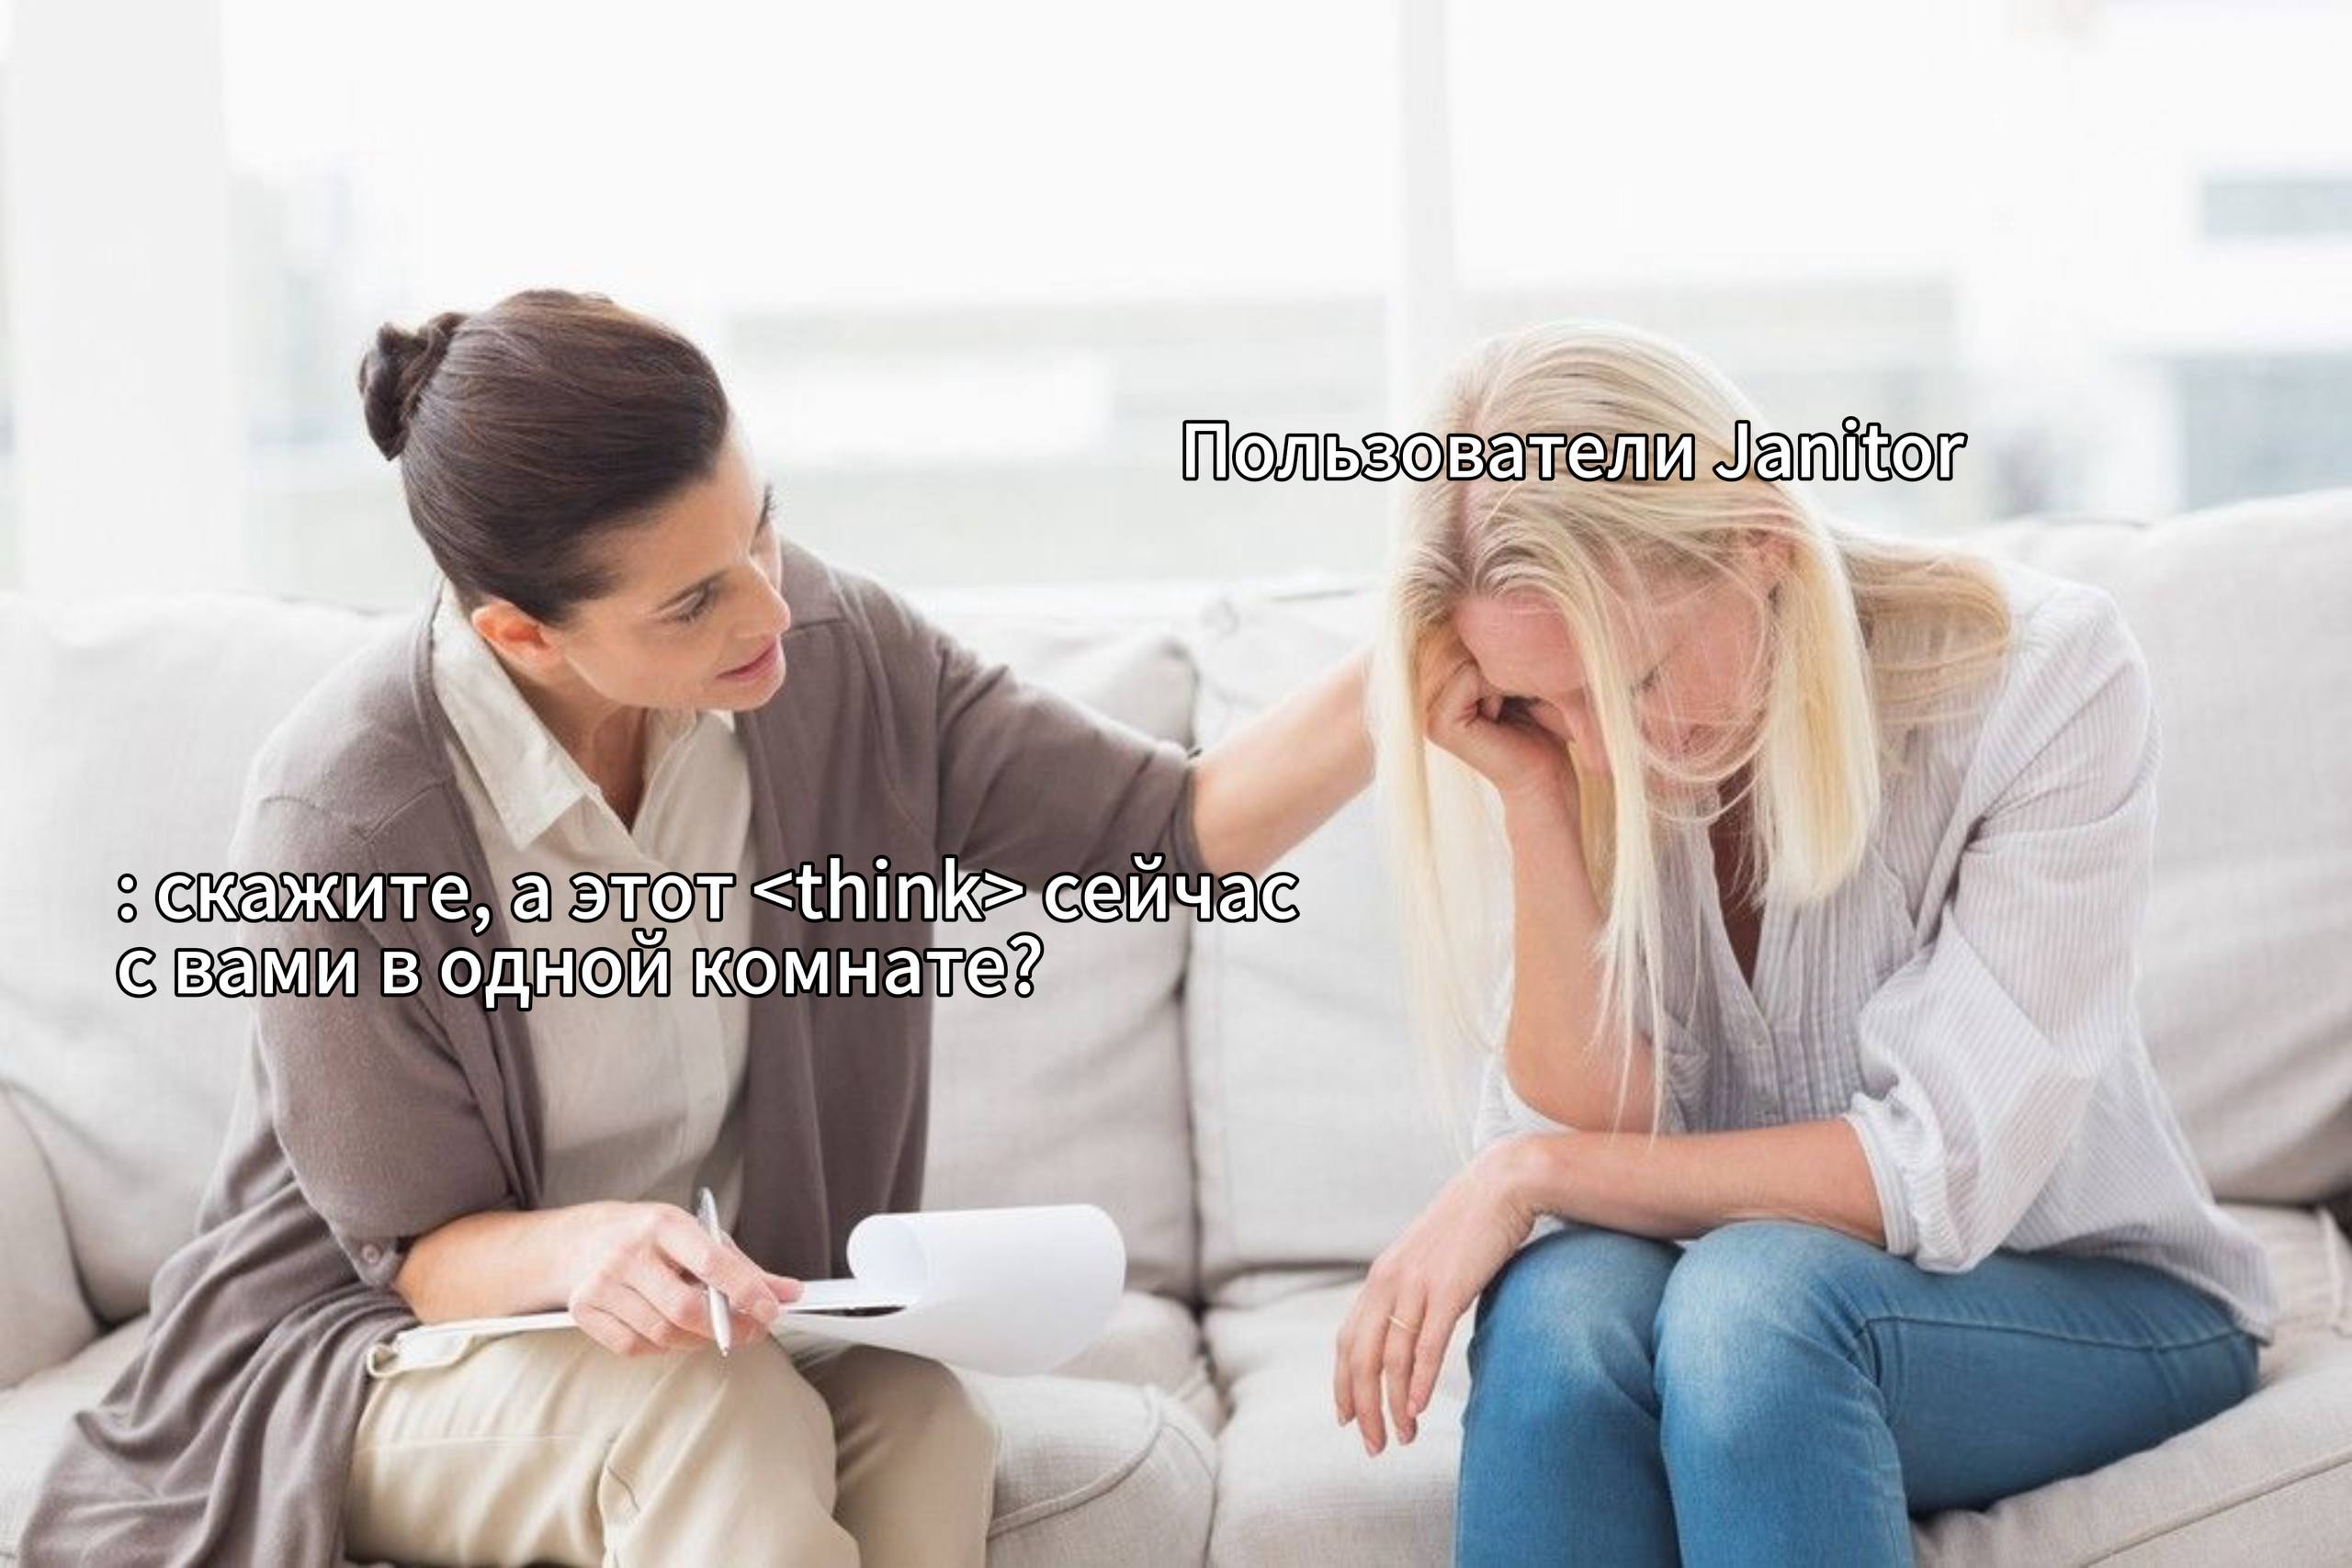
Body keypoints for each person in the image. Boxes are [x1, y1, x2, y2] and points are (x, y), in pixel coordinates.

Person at [20, 288, 1373, 1566]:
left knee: (917, 1416)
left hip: (708, 1341)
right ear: (522, 635)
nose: (773, 608)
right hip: (368, 1357)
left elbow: (1174, 826)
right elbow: (415, 1257)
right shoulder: (347, 816)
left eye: (760, 530)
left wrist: (1424, 650)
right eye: (692, 600)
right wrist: (585, 1246)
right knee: (715, 1413)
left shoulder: (836, 659)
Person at [1329, 321, 2278, 1566]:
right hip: (1729, 1299)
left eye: (1634, 680)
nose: (1599, 748)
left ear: (1760, 536)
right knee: (1559, 1316)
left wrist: (1526, 1173)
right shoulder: (1572, 755)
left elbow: (1937, 1168)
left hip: (2092, 1297)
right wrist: (1534, 796)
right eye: (1540, 704)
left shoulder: (2045, 676)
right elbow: (1595, 1120)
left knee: (1751, 1313)